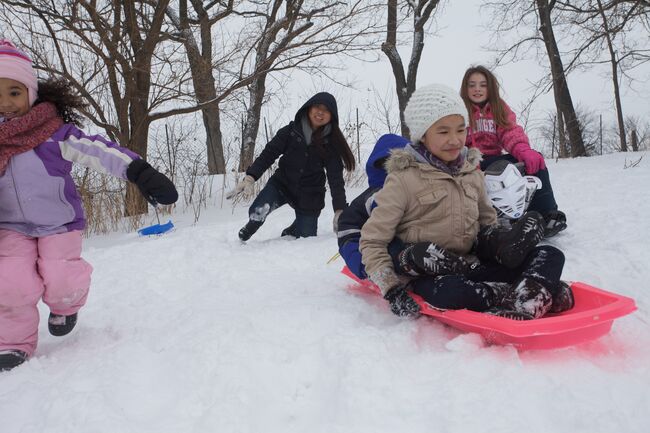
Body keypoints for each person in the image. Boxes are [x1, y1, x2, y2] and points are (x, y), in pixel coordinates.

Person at [0, 40, 178, 371]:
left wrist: (139, 171)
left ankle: (65, 305)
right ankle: (12, 343)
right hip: (10, 228)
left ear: (31, 93)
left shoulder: (53, 135)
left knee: (61, 274)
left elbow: (98, 151)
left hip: (59, 223)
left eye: (14, 92)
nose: (6, 103)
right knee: (8, 282)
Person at [359, 83, 573, 320]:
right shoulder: (403, 179)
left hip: (472, 265)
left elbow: (487, 223)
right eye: (443, 132)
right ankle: (522, 295)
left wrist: (502, 244)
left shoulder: (471, 173)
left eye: (461, 130)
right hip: (430, 274)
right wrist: (391, 288)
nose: (454, 139)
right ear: (422, 135)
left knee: (550, 255)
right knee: (452, 293)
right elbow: (372, 241)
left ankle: (523, 303)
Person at [227, 92, 355, 241]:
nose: (320, 112)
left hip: (310, 194)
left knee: (305, 238)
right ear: (308, 108)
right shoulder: (290, 131)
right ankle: (252, 224)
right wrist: (250, 177)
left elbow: (335, 178)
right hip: (282, 184)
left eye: (326, 110)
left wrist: (339, 209)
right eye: (317, 107)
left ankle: (295, 228)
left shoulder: (331, 143)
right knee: (258, 210)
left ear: (332, 116)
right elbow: (268, 154)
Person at [460, 65, 567, 237]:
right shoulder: (459, 110)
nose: (477, 89)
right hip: (469, 161)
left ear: (490, 88)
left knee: (535, 160)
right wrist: (467, 160)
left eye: (483, 84)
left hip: (494, 159)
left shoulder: (499, 107)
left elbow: (510, 131)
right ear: (465, 88)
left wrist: (523, 150)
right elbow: (454, 141)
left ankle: (545, 215)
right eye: (472, 85)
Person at [337, 134, 408, 279]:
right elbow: (348, 230)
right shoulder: (372, 198)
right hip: (388, 256)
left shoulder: (425, 188)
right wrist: (364, 265)